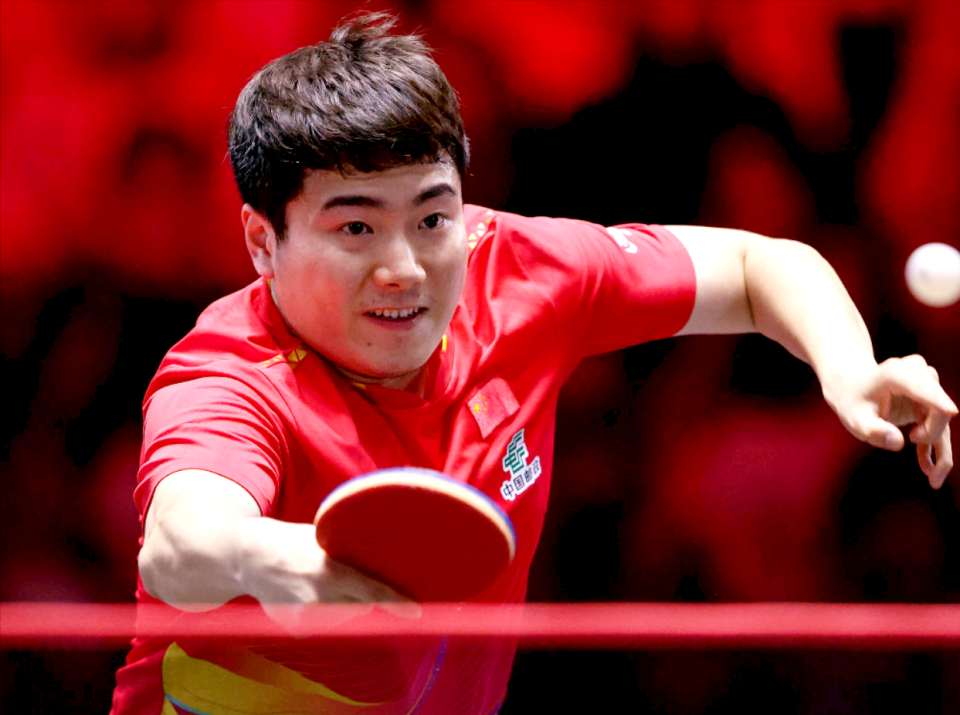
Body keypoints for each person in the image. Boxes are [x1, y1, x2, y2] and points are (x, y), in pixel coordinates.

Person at [110, 12, 955, 715]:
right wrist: (273, 558)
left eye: (431, 218)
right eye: (356, 228)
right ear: (263, 241)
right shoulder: (230, 372)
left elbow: (755, 265)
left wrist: (849, 366)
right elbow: (182, 540)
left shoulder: (516, 271)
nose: (404, 267)